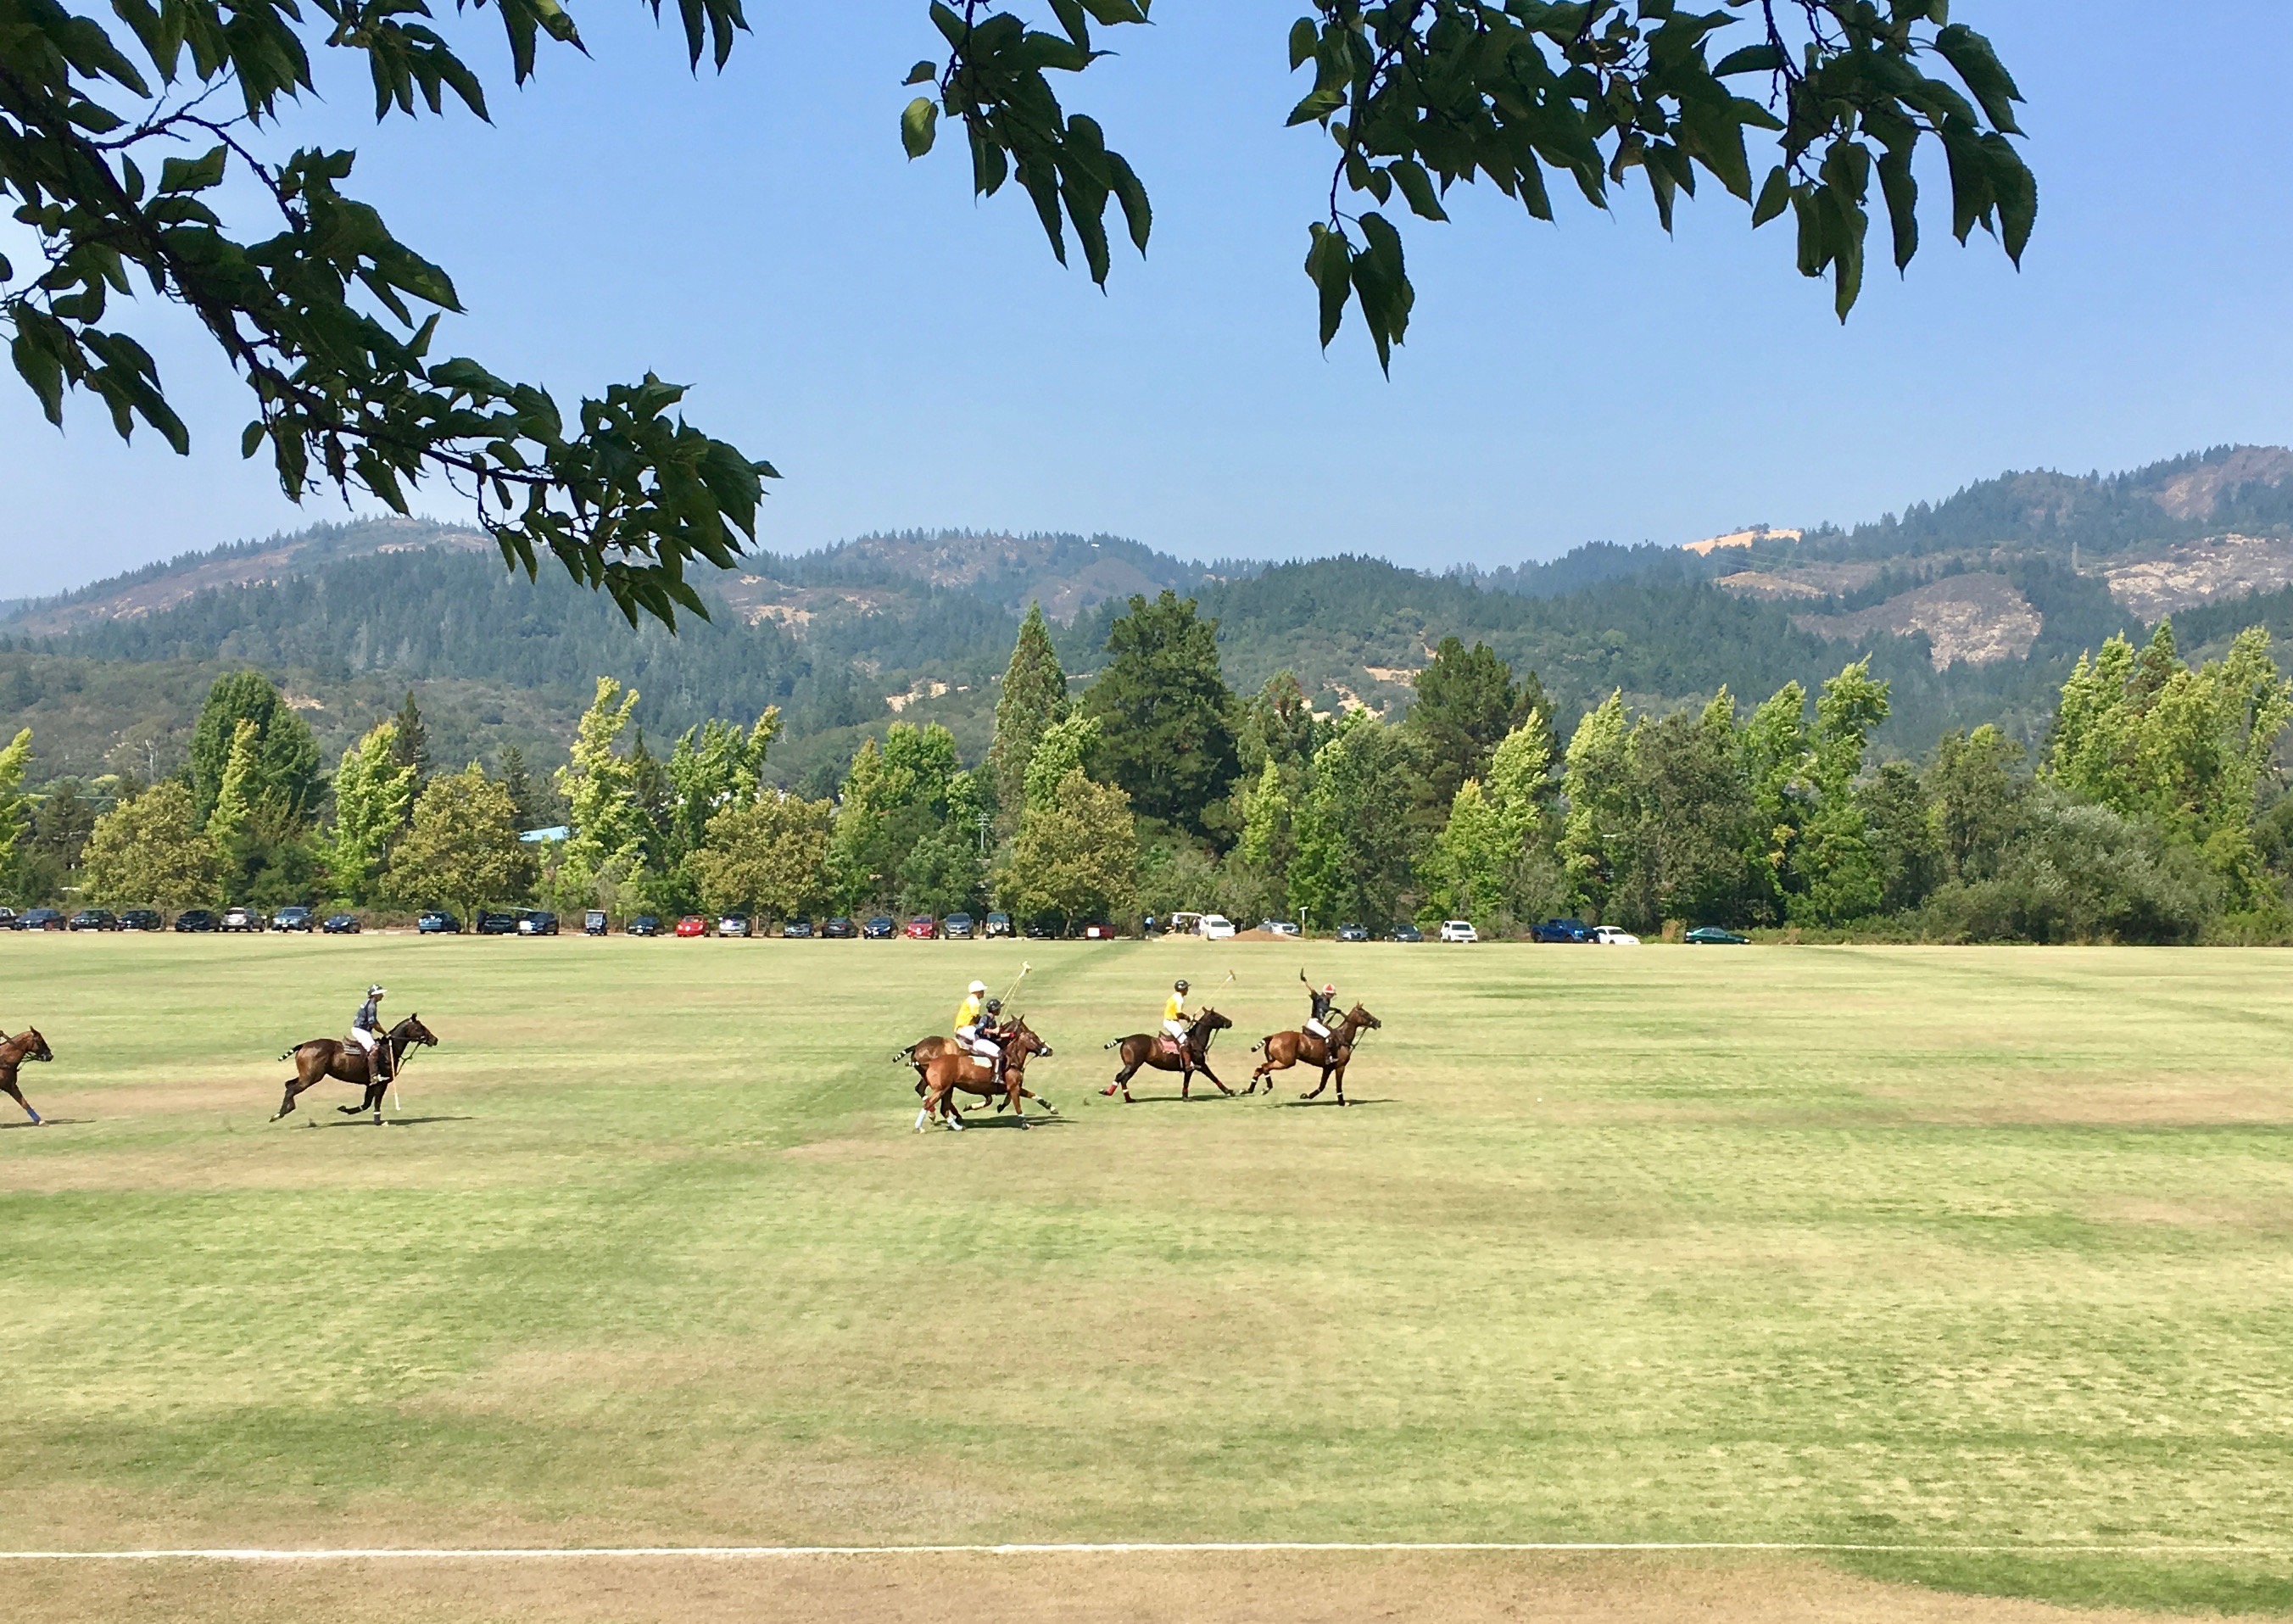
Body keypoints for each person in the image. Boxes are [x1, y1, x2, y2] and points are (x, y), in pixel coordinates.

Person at [349, 983, 391, 1085]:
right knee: (374, 1049)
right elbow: (373, 1023)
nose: (382, 995)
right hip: (361, 1030)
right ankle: (374, 1076)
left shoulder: (370, 1002)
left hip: (363, 1030)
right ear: (374, 995)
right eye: (380, 994)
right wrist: (385, 1033)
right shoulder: (372, 1005)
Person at [954, 979, 1000, 1068]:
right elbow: (976, 1018)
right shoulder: (974, 1001)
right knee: (980, 1040)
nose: (983, 992)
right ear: (978, 992)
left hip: (964, 1027)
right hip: (966, 1027)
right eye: (982, 991)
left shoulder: (970, 999)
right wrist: (986, 1022)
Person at [1161, 979, 1191, 1055]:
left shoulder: (1174, 996)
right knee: (1185, 1041)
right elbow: (1179, 1014)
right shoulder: (1179, 999)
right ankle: (1188, 1065)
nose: (1187, 990)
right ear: (1183, 989)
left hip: (1168, 1021)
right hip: (1171, 1022)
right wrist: (1188, 1018)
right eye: (1186, 988)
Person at [1303, 974, 1337, 1041]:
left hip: (1318, 1023)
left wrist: (1334, 1009)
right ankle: (1327, 1052)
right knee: (1329, 1035)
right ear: (1326, 994)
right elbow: (1312, 990)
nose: (1333, 996)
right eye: (1332, 994)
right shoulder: (1318, 998)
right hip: (1313, 1023)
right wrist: (1305, 981)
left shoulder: (1327, 1001)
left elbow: (1324, 1008)